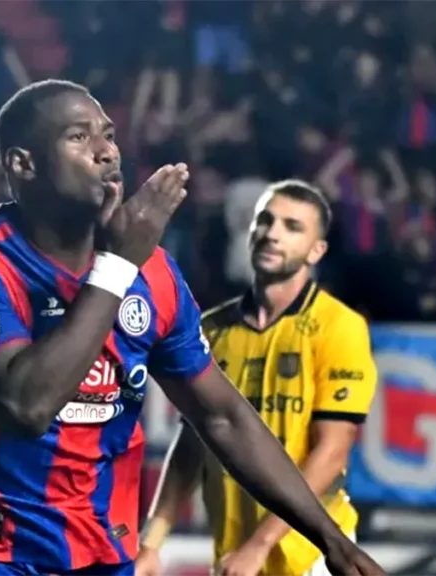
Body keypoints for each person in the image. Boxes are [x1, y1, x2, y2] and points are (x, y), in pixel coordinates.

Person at [0, 80, 382, 576]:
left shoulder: (155, 273)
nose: (106, 152)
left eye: (108, 134)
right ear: (23, 164)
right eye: (79, 138)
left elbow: (222, 417)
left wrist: (330, 539)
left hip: (99, 554)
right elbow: (25, 405)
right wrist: (117, 266)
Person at [135, 179, 379, 576]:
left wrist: (259, 545)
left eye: (292, 226)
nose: (273, 233)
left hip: (310, 559)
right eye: (265, 220)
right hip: (235, 558)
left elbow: (332, 452)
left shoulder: (339, 326)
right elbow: (192, 443)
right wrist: (151, 542)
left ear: (316, 251)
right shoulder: (210, 328)